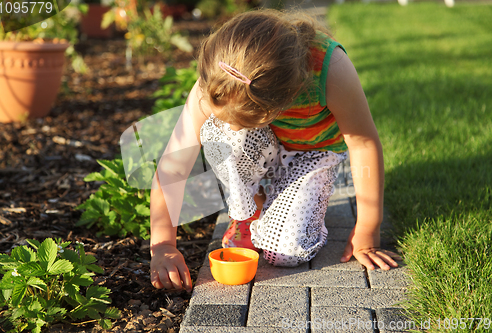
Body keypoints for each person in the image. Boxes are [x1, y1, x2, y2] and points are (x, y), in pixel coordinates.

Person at [149, 9, 401, 292]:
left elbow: (363, 143)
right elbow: (173, 166)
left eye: (245, 120)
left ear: (281, 104)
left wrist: (368, 227)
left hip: (311, 153)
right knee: (222, 132)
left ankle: (295, 197)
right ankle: (249, 211)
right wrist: (162, 245)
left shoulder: (331, 68)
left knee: (286, 253)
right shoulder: (219, 79)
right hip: (261, 149)